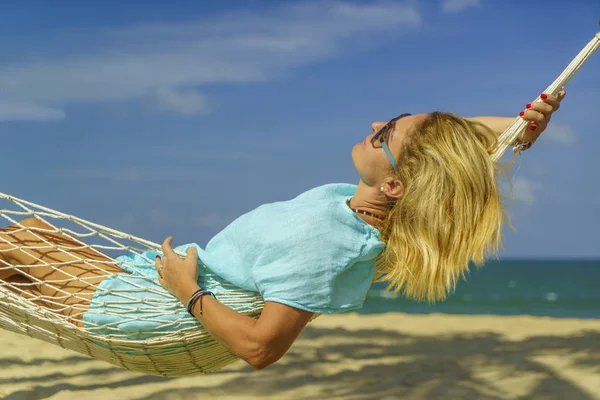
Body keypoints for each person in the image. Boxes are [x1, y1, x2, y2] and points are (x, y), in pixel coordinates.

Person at [0, 91, 565, 370]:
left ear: (395, 183)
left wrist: (185, 290)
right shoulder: (366, 213)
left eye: (385, 132)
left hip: (139, 311)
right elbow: (446, 147)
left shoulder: (322, 243)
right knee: (25, 228)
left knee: (10, 244)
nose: (374, 124)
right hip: (142, 286)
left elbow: (260, 347)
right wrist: (522, 123)